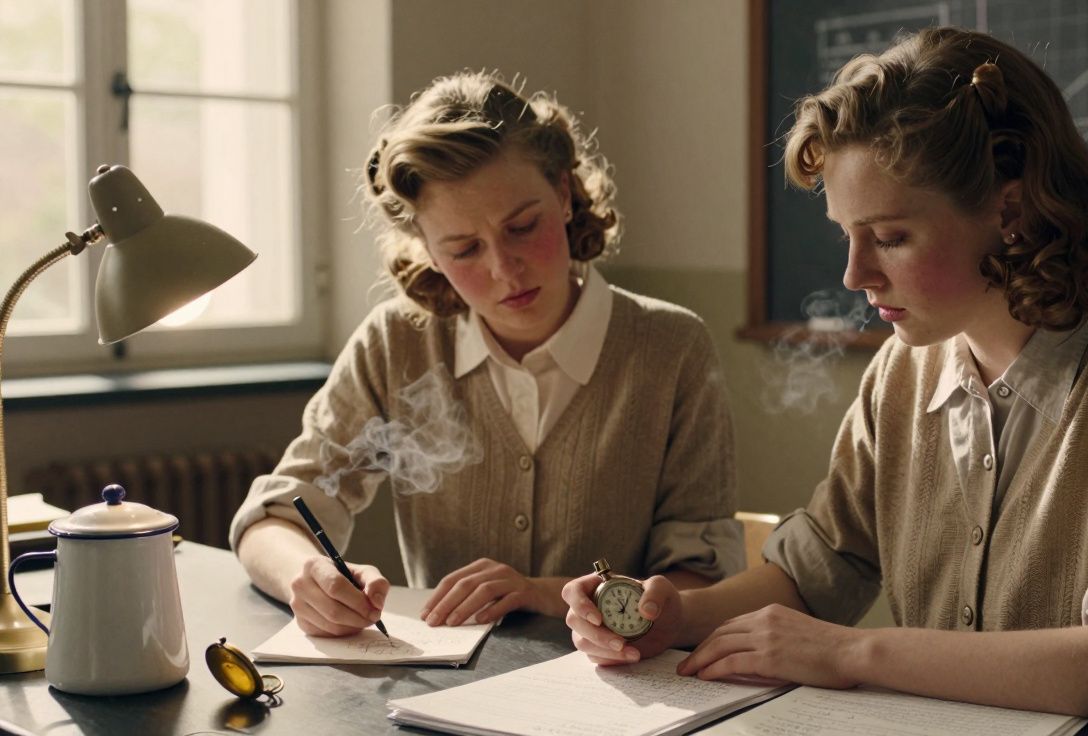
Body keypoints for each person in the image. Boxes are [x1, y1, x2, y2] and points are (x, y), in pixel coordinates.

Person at [562, 26, 1088, 728]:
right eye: (846, 235)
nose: (855, 275)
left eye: (889, 238)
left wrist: (854, 654)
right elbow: (818, 568)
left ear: (1008, 212)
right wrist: (674, 617)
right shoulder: (902, 369)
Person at [230, 71, 744, 638]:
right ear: (427, 249)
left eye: (522, 227)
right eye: (464, 248)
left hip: (622, 691)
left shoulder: (670, 349)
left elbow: (701, 579)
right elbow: (272, 519)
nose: (503, 269)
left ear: (565, 193)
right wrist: (309, 575)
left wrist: (544, 594)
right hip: (444, 694)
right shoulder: (396, 344)